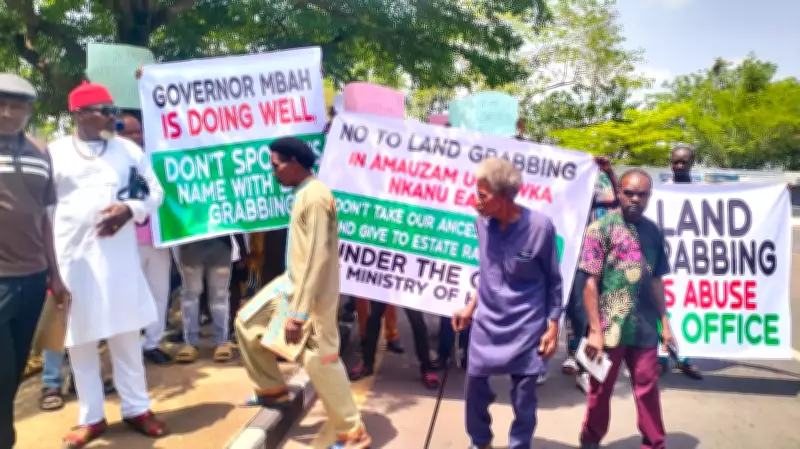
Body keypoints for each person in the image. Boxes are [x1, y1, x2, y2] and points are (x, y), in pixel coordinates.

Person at [50, 81, 168, 448]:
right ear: (79, 114)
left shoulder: (128, 150)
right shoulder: (55, 154)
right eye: (105, 110)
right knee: (80, 342)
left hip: (119, 261)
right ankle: (92, 418)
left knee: (126, 336)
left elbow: (156, 192)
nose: (113, 117)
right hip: (73, 262)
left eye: (113, 109)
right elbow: (43, 210)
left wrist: (129, 210)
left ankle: (136, 408)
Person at [235, 137, 371, 449]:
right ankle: (272, 391)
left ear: (295, 163)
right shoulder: (304, 193)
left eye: (276, 165)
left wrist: (297, 314)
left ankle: (353, 433)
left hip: (313, 294)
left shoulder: (316, 197)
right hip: (291, 282)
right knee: (247, 322)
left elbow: (317, 259)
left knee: (320, 360)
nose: (273, 172)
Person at [451, 157, 562, 449]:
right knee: (474, 385)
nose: (476, 201)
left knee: (524, 397)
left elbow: (553, 280)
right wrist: (470, 308)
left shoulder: (540, 227)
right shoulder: (482, 224)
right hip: (487, 324)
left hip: (527, 327)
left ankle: (519, 444)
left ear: (502, 198)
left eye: (483, 196)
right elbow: (489, 273)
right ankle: (480, 441)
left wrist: (553, 326)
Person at [578, 169, 674, 449]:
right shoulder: (600, 229)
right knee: (599, 390)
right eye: (628, 193)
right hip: (607, 330)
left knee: (647, 389)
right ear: (618, 193)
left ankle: (655, 443)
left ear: (649, 196)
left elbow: (656, 280)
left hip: (644, 329)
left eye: (641, 194)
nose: (634, 199)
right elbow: (590, 283)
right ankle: (590, 440)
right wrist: (595, 331)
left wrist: (665, 325)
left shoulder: (654, 231)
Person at [0, 73, 70, 449]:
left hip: (33, 279)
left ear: (28, 110)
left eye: (17, 106)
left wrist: (55, 275)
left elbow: (45, 218)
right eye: (1, 104)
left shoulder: (41, 152)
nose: (8, 113)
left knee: (11, 376)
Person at [118, 112, 173, 366]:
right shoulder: (114, 162)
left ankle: (152, 342)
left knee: (160, 293)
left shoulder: (156, 158)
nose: (134, 136)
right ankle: (128, 348)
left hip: (159, 239)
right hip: (128, 241)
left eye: (137, 131)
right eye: (127, 132)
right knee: (127, 296)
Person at [563, 156, 619, 393]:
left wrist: (610, 171)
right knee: (575, 311)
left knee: (591, 311)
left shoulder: (599, 190)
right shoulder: (566, 192)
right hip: (571, 257)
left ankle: (586, 368)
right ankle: (574, 355)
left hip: (595, 258)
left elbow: (617, 199)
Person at [174, 232, 248, 364]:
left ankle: (220, 342)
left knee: (219, 295)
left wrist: (241, 245)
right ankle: (191, 343)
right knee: (191, 295)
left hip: (220, 243)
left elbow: (232, 212)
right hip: (190, 241)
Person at [349, 300, 438, 388]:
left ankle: (426, 367)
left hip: (405, 291)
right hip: (388, 289)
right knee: (373, 318)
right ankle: (367, 365)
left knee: (417, 321)